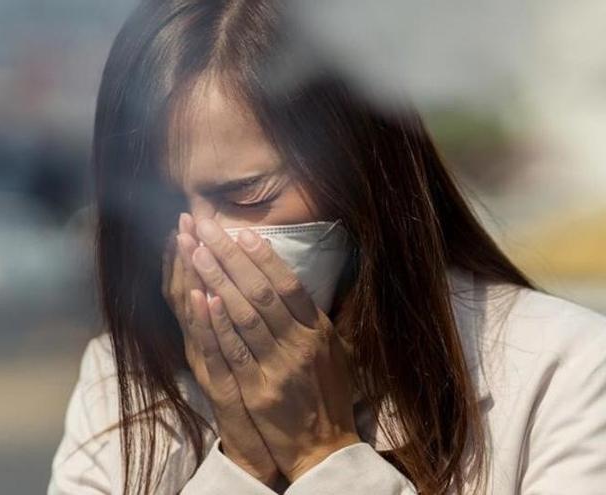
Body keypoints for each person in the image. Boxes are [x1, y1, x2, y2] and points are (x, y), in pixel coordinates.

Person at [47, 1, 606, 494]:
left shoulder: (560, 369)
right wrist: (243, 465)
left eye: (245, 193)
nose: (201, 241)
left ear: (361, 173)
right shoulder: (125, 385)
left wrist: (323, 454)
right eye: (167, 206)